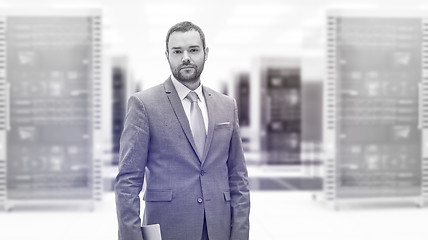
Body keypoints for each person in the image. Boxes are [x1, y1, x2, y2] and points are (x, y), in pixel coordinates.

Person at [115, 21, 250, 240]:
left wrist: (241, 233)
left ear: (205, 53)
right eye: (177, 51)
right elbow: (128, 182)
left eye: (193, 50)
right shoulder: (144, 104)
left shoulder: (226, 105)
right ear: (167, 55)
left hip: (219, 227)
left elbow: (238, 177)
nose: (185, 57)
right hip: (169, 227)